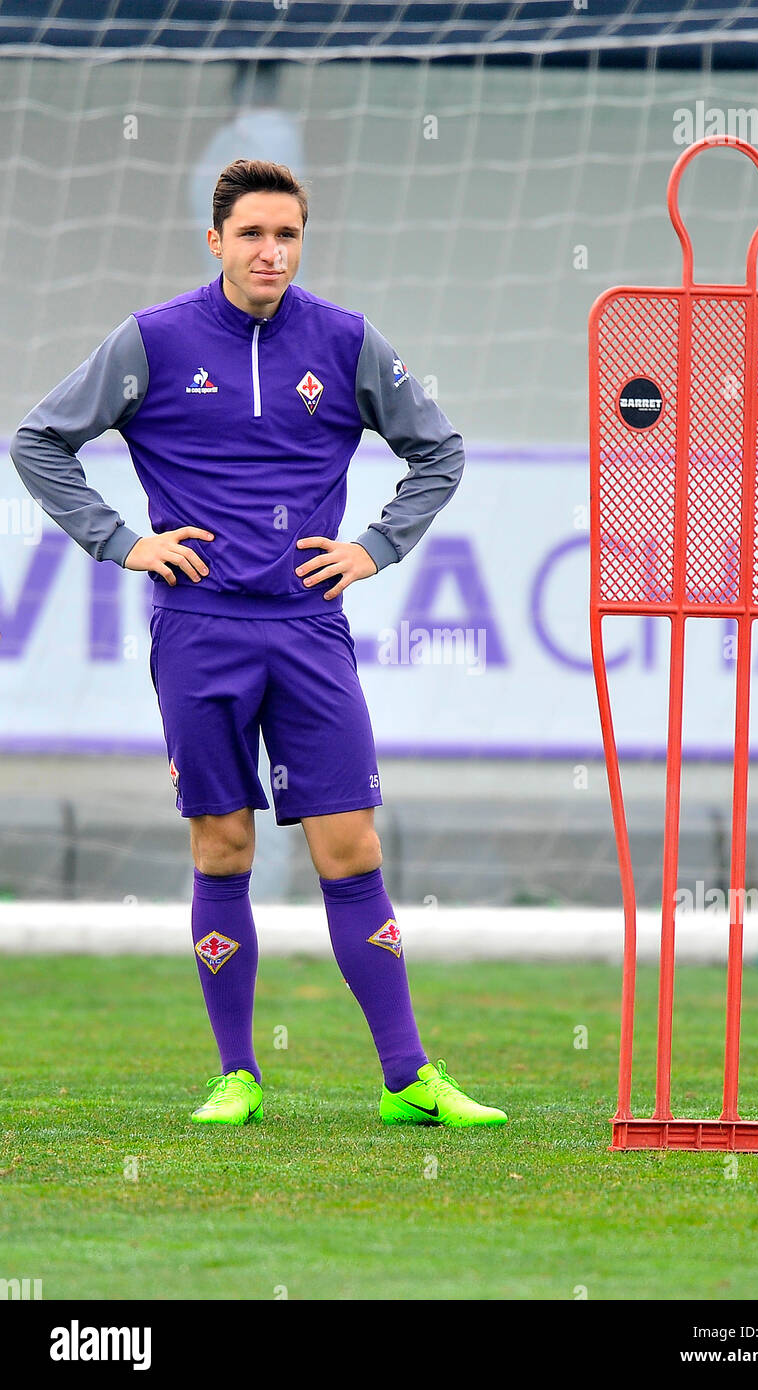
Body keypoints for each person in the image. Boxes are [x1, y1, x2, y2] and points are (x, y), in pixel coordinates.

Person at [11, 158, 507, 1130]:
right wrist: (123, 541)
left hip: (307, 627)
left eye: (285, 235)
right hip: (198, 628)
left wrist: (374, 546)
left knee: (349, 840)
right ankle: (236, 1074)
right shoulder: (152, 341)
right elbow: (39, 440)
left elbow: (438, 448)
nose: (269, 251)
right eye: (250, 234)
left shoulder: (347, 342)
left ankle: (406, 1077)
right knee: (224, 842)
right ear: (216, 241)